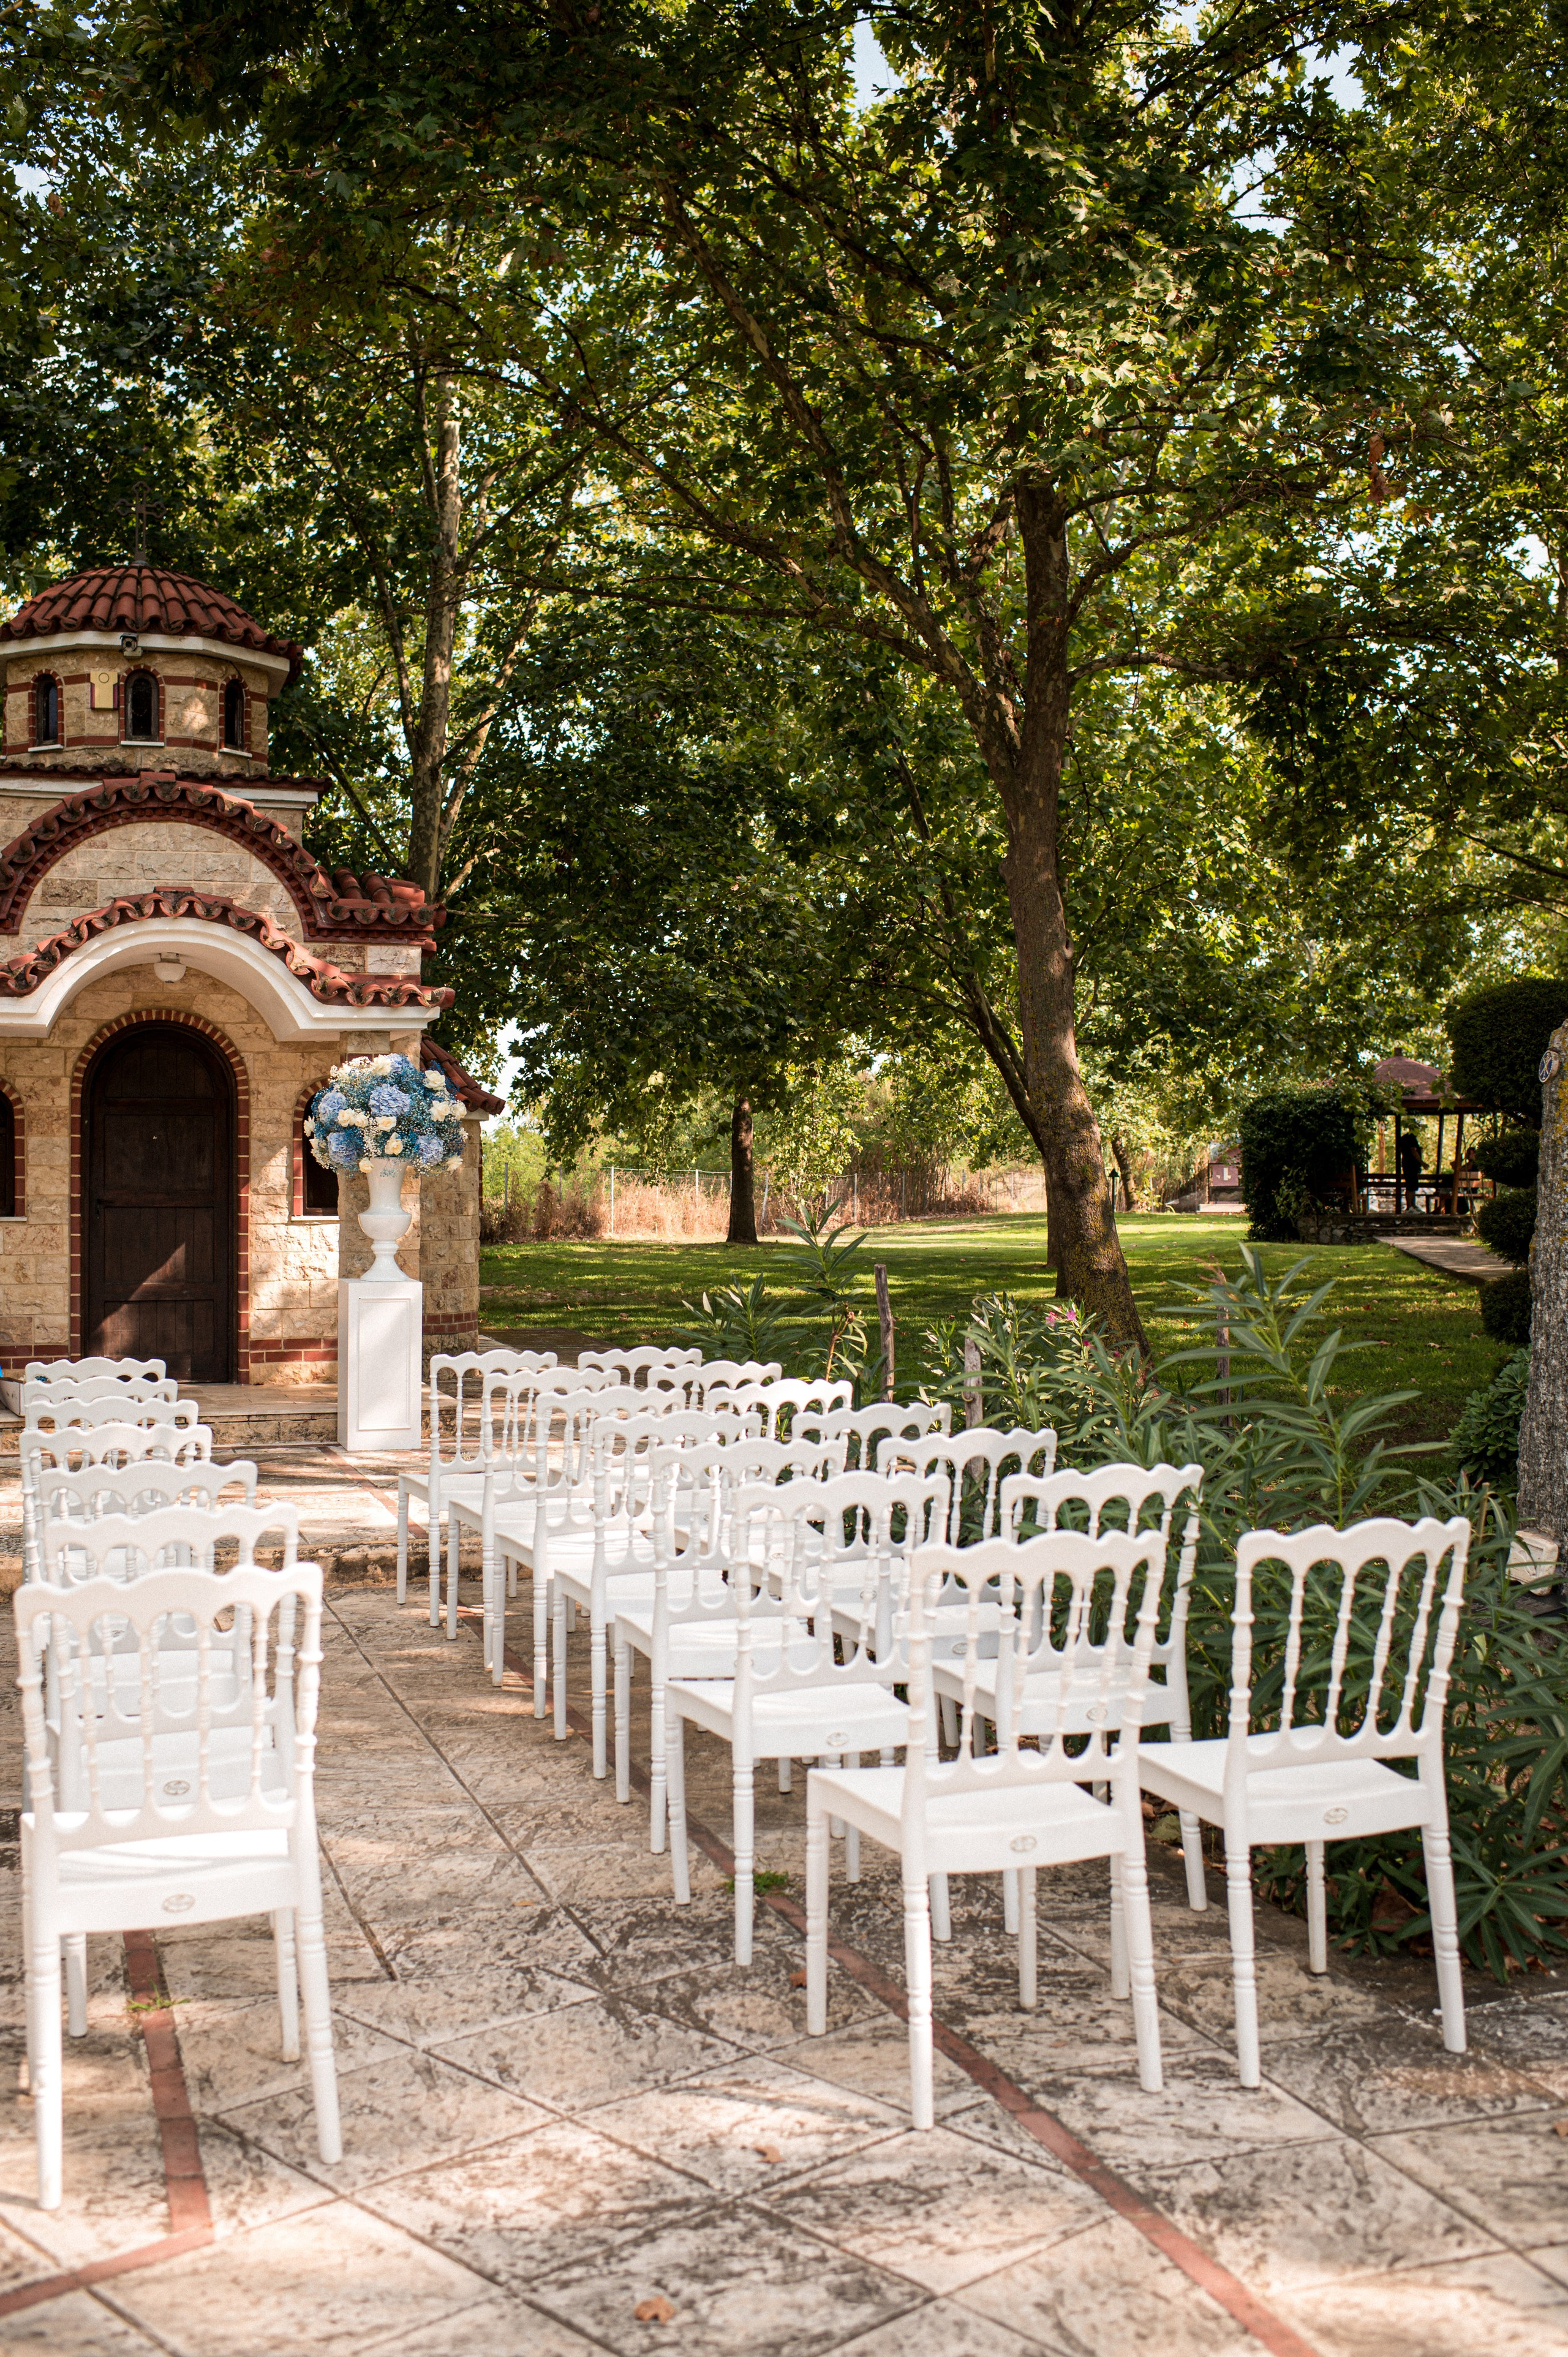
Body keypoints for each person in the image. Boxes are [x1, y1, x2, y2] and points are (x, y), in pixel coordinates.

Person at [1398, 1126, 1423, 1210]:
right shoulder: (1411, 1139)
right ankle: (1409, 1206)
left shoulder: (1404, 1138)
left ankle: (1412, 1205)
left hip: (1407, 1165)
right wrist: (1422, 1162)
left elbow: (1401, 1150)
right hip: (1411, 1166)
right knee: (1410, 1187)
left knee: (1412, 1186)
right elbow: (1413, 1151)